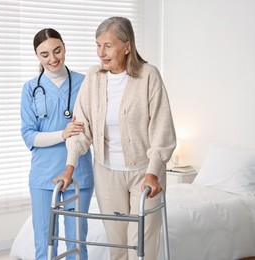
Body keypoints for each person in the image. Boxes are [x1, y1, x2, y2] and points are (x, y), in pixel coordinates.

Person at [53, 17, 176, 260]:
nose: (101, 53)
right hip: (107, 173)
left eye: (108, 46)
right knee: (118, 247)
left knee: (141, 244)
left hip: (145, 173)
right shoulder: (94, 77)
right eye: (97, 45)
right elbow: (81, 126)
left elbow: (162, 129)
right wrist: (69, 168)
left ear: (127, 46)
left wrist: (153, 171)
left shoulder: (149, 76)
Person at [20, 28, 94, 260]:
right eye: (44, 54)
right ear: (37, 56)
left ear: (64, 47)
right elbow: (29, 136)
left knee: (77, 243)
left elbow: (94, 125)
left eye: (57, 50)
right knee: (44, 242)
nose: (52, 59)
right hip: (43, 175)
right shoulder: (31, 89)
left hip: (78, 173)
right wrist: (63, 133)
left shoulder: (86, 83)